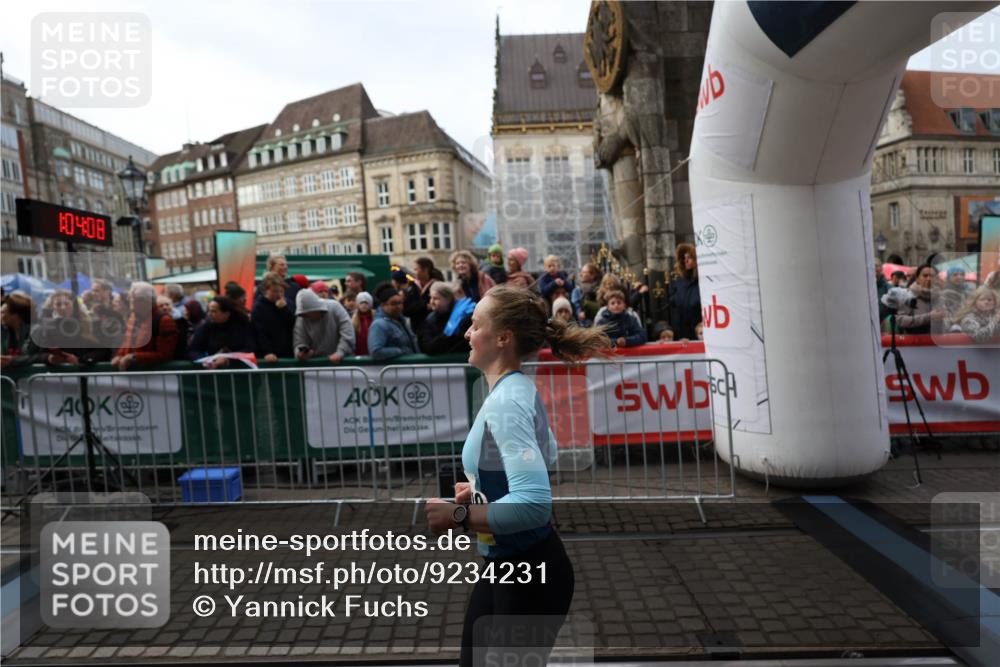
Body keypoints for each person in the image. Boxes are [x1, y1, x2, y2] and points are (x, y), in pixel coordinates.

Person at [423, 285, 612, 667]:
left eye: (475, 325)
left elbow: (533, 506)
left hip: (527, 571)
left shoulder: (508, 401)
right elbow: (547, 455)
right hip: (511, 564)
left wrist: (458, 517)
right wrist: (479, 491)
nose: (466, 333)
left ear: (503, 338)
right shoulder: (514, 390)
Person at [112, 282, 178, 371]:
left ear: (144, 300)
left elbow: (164, 354)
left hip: (155, 376)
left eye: (132, 297)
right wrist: (119, 355)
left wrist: (134, 357)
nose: (129, 299)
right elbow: (127, 342)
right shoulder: (133, 316)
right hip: (134, 374)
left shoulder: (164, 320)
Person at [188, 296, 255, 368]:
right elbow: (193, 350)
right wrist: (206, 361)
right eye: (208, 311)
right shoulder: (205, 327)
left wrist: (228, 360)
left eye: (213, 311)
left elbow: (250, 349)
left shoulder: (243, 326)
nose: (209, 314)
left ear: (226, 314)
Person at [294, 288, 355, 364]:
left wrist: (340, 352)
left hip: (343, 362)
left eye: (311, 312)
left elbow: (347, 332)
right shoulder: (301, 318)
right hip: (317, 366)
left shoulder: (335, 306)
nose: (309, 316)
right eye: (305, 314)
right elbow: (299, 340)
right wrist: (301, 353)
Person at [368, 282, 420, 360]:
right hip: (395, 370)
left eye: (400, 303)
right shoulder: (379, 325)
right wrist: (401, 351)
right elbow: (376, 351)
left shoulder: (404, 321)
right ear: (383, 305)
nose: (398, 306)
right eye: (393, 303)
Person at [252, 271, 296, 362]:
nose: (279, 294)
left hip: (289, 354)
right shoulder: (258, 307)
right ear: (266, 290)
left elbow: (294, 324)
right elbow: (259, 332)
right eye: (275, 291)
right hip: (270, 356)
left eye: (281, 291)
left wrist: (284, 309)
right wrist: (267, 352)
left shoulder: (288, 303)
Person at [418, 282, 473, 355]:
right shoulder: (430, 320)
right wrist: (446, 335)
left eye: (436, 298)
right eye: (430, 297)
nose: (431, 302)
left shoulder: (463, 316)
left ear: (448, 299)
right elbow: (427, 347)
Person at [895, 263, 945, 335]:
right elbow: (900, 320)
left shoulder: (942, 297)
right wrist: (929, 317)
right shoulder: (907, 296)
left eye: (932, 276)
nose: (928, 279)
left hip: (938, 342)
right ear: (917, 279)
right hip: (914, 342)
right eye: (925, 276)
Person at [1, 293, 45, 369]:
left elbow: (37, 356)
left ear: (15, 315)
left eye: (3, 312)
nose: (1, 316)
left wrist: (12, 360)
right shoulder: (4, 331)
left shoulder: (36, 331)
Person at [668, 243, 702, 341]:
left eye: (689, 258)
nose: (686, 260)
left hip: (698, 326)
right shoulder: (680, 279)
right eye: (684, 258)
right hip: (682, 327)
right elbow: (672, 297)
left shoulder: (701, 279)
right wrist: (675, 300)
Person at [394, 266, 429, 330]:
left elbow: (410, 309)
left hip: (417, 326)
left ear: (396, 282)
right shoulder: (409, 290)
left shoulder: (412, 291)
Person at [352, 292, 375, 356]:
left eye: (366, 303)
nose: (364, 305)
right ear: (358, 304)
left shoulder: (376, 317)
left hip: (373, 353)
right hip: (359, 353)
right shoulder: (353, 320)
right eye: (361, 303)